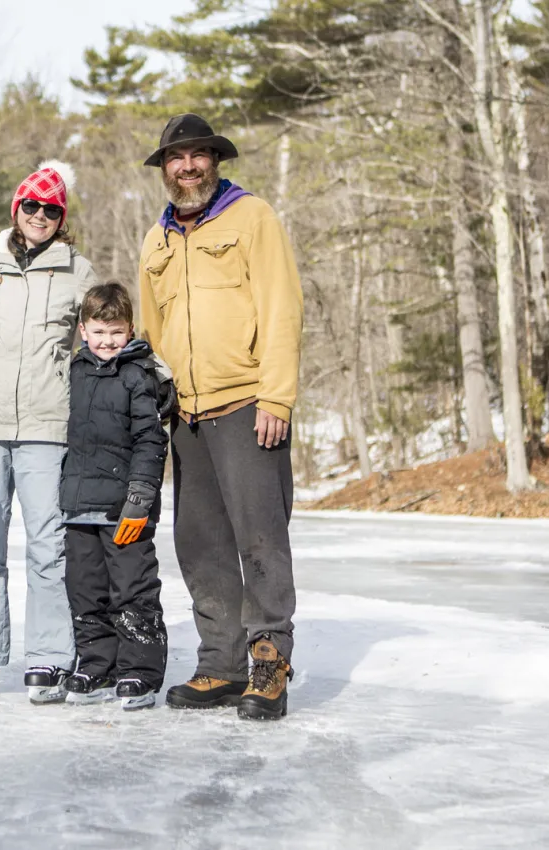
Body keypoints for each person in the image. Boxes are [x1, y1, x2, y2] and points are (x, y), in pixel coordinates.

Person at [137, 114, 305, 721]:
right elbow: (152, 331)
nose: (188, 167)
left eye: (198, 155)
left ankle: (268, 662)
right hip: (186, 414)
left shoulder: (250, 217)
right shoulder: (156, 240)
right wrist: (157, 400)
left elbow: (282, 307)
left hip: (246, 404)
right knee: (200, 543)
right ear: (164, 169)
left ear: (215, 160)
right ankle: (222, 664)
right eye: (176, 159)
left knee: (260, 537)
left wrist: (277, 397)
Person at [0, 161, 98, 703]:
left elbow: (107, 338)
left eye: (50, 209)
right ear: (16, 208)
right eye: (31, 206)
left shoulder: (78, 271)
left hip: (46, 427)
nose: (39, 216)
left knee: (47, 547)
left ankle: (50, 658)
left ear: (61, 216)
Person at [58, 282, 173, 710]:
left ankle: (139, 671)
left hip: (124, 508)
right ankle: (96, 664)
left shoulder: (137, 375)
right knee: (85, 590)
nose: (108, 342)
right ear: (83, 331)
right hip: (78, 507)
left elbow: (149, 439)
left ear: (130, 331)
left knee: (132, 588)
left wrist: (140, 497)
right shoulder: (74, 371)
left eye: (117, 332)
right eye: (99, 332)